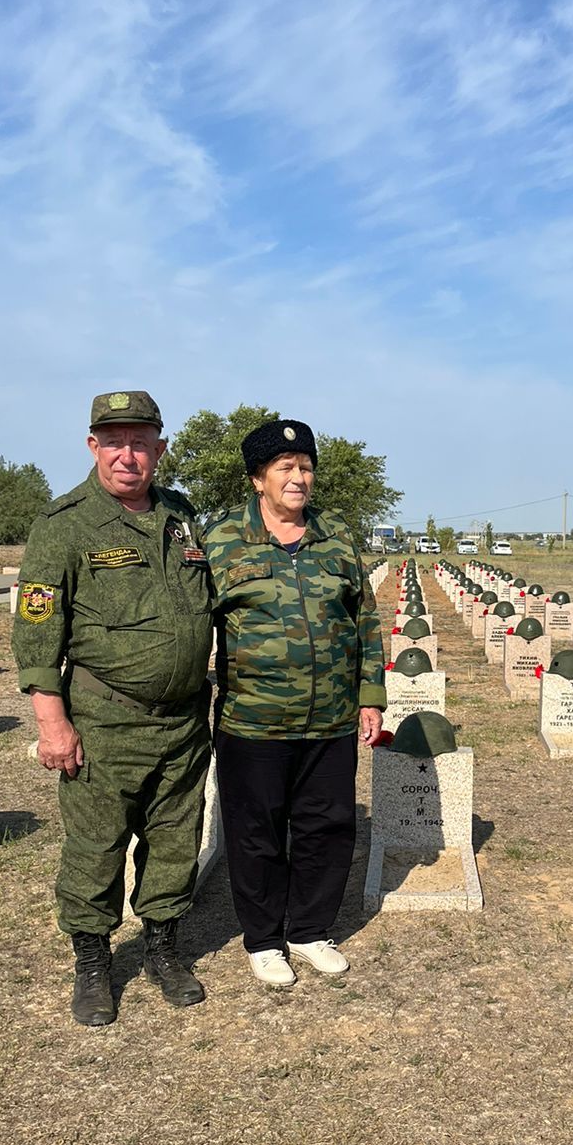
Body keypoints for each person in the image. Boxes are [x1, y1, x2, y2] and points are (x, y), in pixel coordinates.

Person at [12, 391, 215, 1027]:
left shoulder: (180, 515)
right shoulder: (63, 525)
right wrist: (53, 721)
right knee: (97, 847)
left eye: (140, 441)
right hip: (105, 721)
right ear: (93, 445)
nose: (128, 455)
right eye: (114, 441)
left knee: (175, 839)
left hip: (183, 721)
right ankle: (94, 961)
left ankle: (162, 948)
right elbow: (37, 627)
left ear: (160, 447)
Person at [203, 418, 386, 989]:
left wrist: (370, 696)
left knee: (326, 827)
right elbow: (192, 623)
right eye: (285, 468)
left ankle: (309, 930)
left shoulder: (337, 541)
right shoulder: (219, 543)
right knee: (255, 831)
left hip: (329, 718)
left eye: (305, 467)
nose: (299, 477)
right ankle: (263, 940)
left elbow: (365, 621)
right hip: (251, 720)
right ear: (258, 478)